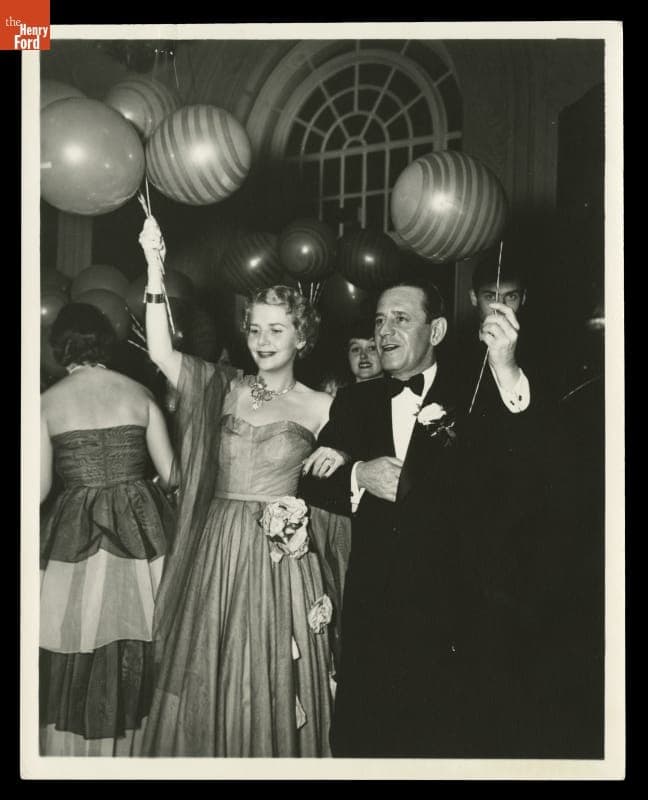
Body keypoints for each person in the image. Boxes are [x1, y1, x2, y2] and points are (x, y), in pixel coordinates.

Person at [302, 279, 551, 758]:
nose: (384, 332)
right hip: (374, 614)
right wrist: (359, 473)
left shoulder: (477, 393)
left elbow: (529, 458)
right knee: (365, 745)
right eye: (378, 320)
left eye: (400, 319)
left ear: (436, 330)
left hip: (456, 616)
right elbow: (312, 479)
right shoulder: (355, 402)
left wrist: (507, 366)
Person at [138, 215, 340, 757]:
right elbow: (161, 354)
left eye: (277, 329)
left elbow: (353, 475)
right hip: (217, 548)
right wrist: (155, 271)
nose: (262, 340)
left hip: (279, 561)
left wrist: (339, 452)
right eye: (255, 328)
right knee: (211, 667)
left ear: (303, 334)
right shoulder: (223, 387)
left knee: (269, 676)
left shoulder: (324, 407)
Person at [39, 302, 176, 756]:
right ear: (106, 343)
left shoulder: (46, 402)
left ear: (60, 347)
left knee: (80, 634)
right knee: (144, 631)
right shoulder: (138, 392)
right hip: (143, 527)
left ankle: (86, 745)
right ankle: (142, 740)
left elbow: (38, 489)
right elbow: (173, 474)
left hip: (75, 530)